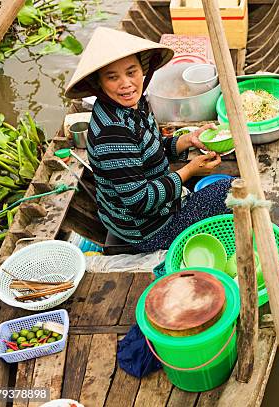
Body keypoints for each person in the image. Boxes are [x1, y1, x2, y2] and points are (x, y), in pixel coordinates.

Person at [65, 27, 230, 252]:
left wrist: (188, 140)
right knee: (228, 190)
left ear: (141, 71)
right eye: (113, 77)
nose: (126, 84)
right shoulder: (113, 133)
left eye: (131, 72)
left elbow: (150, 150)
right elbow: (139, 200)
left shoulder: (135, 104)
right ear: (99, 83)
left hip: (156, 207)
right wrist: (189, 171)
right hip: (145, 231)